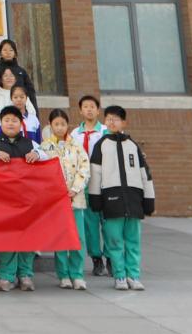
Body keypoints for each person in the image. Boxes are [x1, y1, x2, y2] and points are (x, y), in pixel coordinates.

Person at [0, 105, 51, 291]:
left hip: (27, 201)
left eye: (14, 120)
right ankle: (6, 277)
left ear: (20, 123)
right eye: (7, 120)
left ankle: (25, 275)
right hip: (3, 201)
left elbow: (47, 155)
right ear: (1, 123)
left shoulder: (30, 143)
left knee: (28, 238)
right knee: (7, 239)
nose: (10, 124)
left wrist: (37, 154)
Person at [89, 105, 156, 292]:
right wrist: (95, 199)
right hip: (112, 199)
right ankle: (119, 275)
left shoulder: (132, 145)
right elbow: (95, 174)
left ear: (124, 122)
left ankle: (133, 275)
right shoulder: (101, 145)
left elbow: (145, 174)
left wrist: (149, 199)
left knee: (133, 241)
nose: (112, 122)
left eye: (116, 119)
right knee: (114, 241)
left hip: (133, 200)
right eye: (108, 119)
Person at [42, 108, 90, 291]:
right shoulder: (45, 147)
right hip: (56, 201)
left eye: (63, 124)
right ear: (50, 125)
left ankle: (77, 274)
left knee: (78, 238)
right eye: (56, 124)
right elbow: (42, 173)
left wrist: (75, 188)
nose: (60, 127)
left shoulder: (76, 145)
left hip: (75, 200)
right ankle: (63, 275)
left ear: (67, 125)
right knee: (61, 238)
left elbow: (84, 168)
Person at [72, 94, 110, 276]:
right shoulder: (74, 134)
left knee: (108, 222)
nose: (89, 109)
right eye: (85, 106)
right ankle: (96, 258)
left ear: (98, 110)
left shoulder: (106, 131)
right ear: (80, 110)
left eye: (92, 106)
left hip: (105, 183)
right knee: (90, 224)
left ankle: (111, 257)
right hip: (86, 184)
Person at [0, 39, 36, 109]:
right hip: (0, 108)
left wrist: (35, 111)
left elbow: (31, 92)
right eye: (5, 50)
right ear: (0, 53)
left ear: (15, 54)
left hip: (21, 108)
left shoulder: (21, 71)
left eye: (11, 50)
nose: (8, 53)